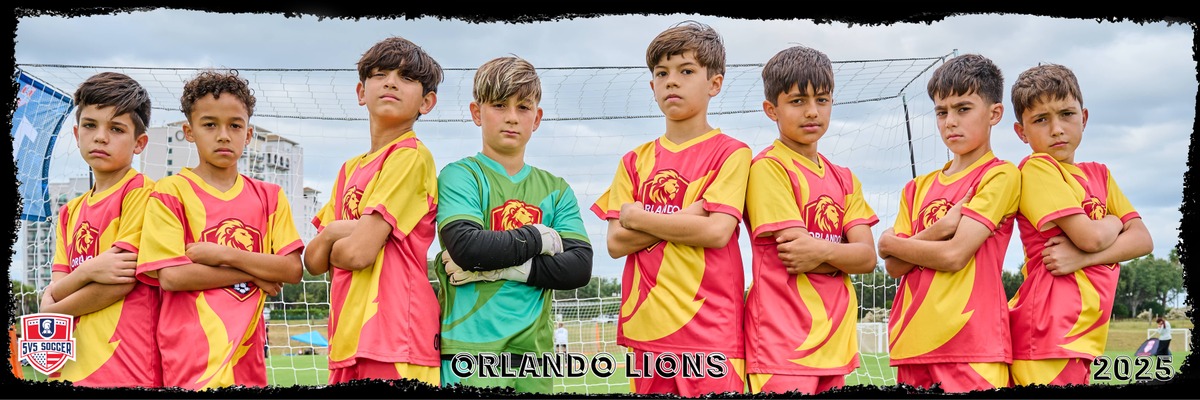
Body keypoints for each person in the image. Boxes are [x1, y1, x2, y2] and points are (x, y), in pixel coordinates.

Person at [590, 21, 751, 397]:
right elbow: (616, 243)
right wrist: (690, 215)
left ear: (714, 84)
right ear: (652, 86)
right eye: (662, 73)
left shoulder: (732, 153)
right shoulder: (634, 161)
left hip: (712, 332)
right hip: (646, 330)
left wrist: (637, 216)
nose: (672, 81)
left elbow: (716, 232)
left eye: (686, 71)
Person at [433, 56, 593, 394]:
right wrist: (539, 236)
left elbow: (579, 267)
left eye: (523, 107)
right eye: (499, 105)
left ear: (537, 118)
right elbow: (468, 248)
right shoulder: (461, 176)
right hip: (470, 351)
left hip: (534, 353)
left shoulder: (556, 189)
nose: (511, 117)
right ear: (476, 112)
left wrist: (500, 270)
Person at [137, 69, 304, 389]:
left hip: (246, 356)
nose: (224, 135)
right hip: (190, 358)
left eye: (235, 125)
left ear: (248, 134)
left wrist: (222, 254)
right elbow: (172, 277)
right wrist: (255, 272)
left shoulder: (270, 197)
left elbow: (292, 269)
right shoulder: (170, 192)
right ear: (189, 131)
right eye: (210, 124)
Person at [303, 36, 443, 386]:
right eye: (380, 74)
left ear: (426, 102)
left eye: (406, 77)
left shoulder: (410, 156)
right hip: (347, 336)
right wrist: (340, 233)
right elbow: (314, 262)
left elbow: (357, 253)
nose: (391, 82)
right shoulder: (348, 170)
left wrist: (340, 235)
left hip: (396, 337)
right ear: (361, 92)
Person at [875, 54, 1019, 393]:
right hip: (912, 343)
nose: (950, 122)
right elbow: (894, 266)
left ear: (994, 113)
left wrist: (893, 243)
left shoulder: (998, 175)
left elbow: (955, 256)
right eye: (942, 112)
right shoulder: (916, 188)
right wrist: (939, 229)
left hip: (972, 346)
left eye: (963, 109)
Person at [742, 45, 879, 395]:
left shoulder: (845, 178)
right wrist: (842, 255)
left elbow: (867, 258)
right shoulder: (769, 168)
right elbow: (795, 255)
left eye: (822, 99)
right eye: (798, 101)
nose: (812, 111)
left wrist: (822, 252)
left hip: (835, 343)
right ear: (771, 109)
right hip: (782, 343)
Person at [1006, 63, 1153, 386]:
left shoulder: (1099, 174)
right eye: (1041, 120)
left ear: (1083, 118)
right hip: (1046, 333)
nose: (1057, 129)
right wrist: (1114, 221)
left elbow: (1143, 240)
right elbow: (1089, 237)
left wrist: (1083, 259)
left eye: (1066, 114)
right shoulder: (1037, 168)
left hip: (1082, 336)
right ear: (1021, 132)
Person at [36, 72, 160, 388]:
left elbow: (119, 283)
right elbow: (60, 286)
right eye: (90, 125)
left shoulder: (142, 193)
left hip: (126, 367)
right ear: (77, 134)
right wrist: (89, 270)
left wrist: (51, 308)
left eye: (116, 129)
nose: (101, 137)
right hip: (69, 366)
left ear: (139, 143)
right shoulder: (69, 212)